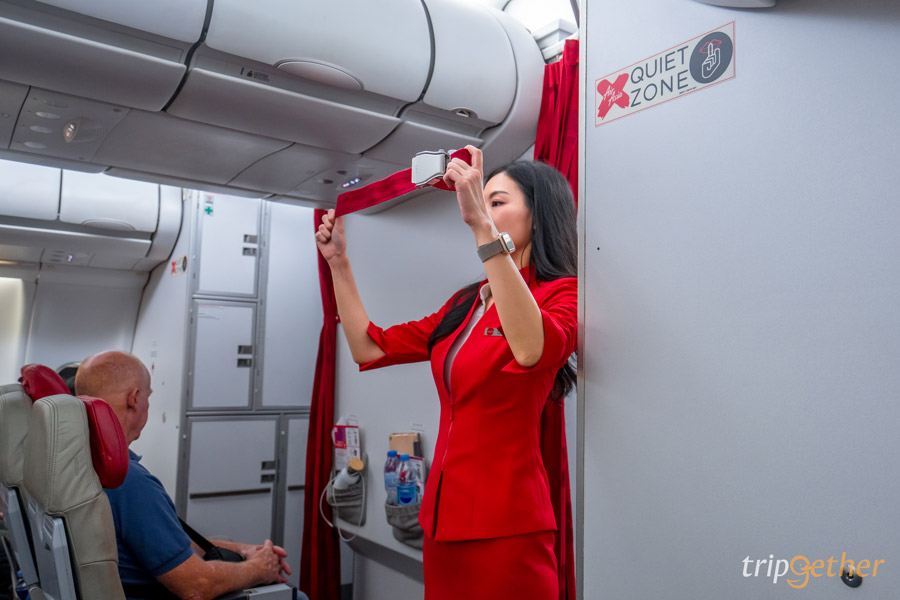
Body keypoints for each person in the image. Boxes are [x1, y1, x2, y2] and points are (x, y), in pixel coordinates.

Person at [315, 146, 578, 599]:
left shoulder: (561, 294)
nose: (483, 209)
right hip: (441, 521)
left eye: (497, 201)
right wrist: (338, 262)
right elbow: (368, 346)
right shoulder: (466, 303)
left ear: (537, 216)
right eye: (482, 200)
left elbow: (531, 348)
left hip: (508, 523)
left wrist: (481, 225)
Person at [74, 351, 292, 600]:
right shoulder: (127, 481)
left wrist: (245, 551)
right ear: (133, 399)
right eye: (147, 397)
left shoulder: (82, 462)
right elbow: (197, 586)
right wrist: (260, 569)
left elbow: (169, 543)